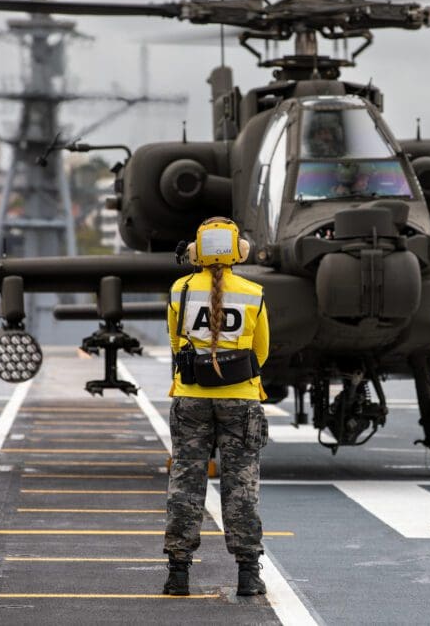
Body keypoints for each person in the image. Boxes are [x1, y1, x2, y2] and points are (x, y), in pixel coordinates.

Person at [163, 217, 270, 597]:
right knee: (241, 487)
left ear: (196, 252)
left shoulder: (181, 290)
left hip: (191, 396)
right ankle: (247, 574)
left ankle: (178, 574)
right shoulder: (253, 293)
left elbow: (176, 345)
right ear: (238, 252)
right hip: (240, 400)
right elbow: (261, 351)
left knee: (185, 485)